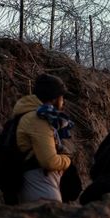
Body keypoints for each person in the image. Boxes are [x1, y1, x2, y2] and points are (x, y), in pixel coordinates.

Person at [15, 73, 72, 203]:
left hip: (39, 182)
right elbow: (49, 162)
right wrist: (67, 159)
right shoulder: (38, 119)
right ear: (53, 99)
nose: (63, 101)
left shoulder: (34, 115)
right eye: (61, 97)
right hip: (40, 185)